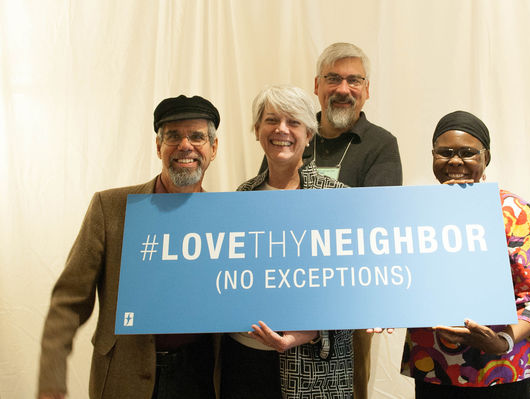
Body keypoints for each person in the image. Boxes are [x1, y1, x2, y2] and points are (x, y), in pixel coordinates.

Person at [37, 95, 221, 399]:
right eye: (173, 136)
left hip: (201, 377)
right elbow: (67, 303)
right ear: (158, 146)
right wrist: (50, 381)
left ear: (213, 148)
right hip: (125, 375)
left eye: (197, 136)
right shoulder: (110, 208)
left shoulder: (228, 218)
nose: (185, 145)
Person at [259, 42, 403, 397]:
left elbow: (377, 224)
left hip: (347, 298)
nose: (343, 89)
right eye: (333, 79)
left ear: (366, 90)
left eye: (354, 80)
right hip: (286, 290)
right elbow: (266, 210)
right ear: (317, 85)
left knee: (344, 388)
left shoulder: (381, 144)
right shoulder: (288, 135)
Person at [401, 110, 530, 398]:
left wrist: (503, 341)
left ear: (486, 158)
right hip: (434, 370)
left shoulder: (514, 213)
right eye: (444, 152)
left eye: (467, 153)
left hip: (502, 370)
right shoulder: (416, 211)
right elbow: (401, 278)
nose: (455, 161)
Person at [220, 85, 353, 399]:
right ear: (257, 130)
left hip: (312, 367)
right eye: (271, 120)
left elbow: (351, 287)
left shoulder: (337, 197)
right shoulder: (241, 197)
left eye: (293, 121)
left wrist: (306, 333)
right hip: (242, 357)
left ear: (309, 134)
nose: (281, 129)